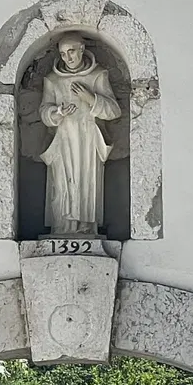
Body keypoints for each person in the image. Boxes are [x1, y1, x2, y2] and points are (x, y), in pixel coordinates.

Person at [38, 34, 121, 236]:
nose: (68, 58)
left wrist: (90, 98)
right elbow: (43, 111)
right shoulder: (53, 80)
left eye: (72, 51)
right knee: (62, 184)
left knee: (87, 182)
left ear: (82, 49)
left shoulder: (98, 75)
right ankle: (62, 227)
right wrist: (57, 113)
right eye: (63, 54)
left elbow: (114, 111)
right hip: (63, 138)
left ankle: (85, 227)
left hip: (88, 138)